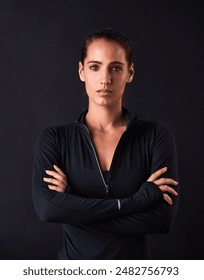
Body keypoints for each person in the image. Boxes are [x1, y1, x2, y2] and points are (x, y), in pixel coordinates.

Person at [32, 28, 179, 259]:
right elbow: (48, 209)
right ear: (81, 71)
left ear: (130, 73)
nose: (105, 79)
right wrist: (137, 201)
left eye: (116, 68)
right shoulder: (55, 139)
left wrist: (73, 205)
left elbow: (161, 221)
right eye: (95, 66)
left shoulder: (155, 135)